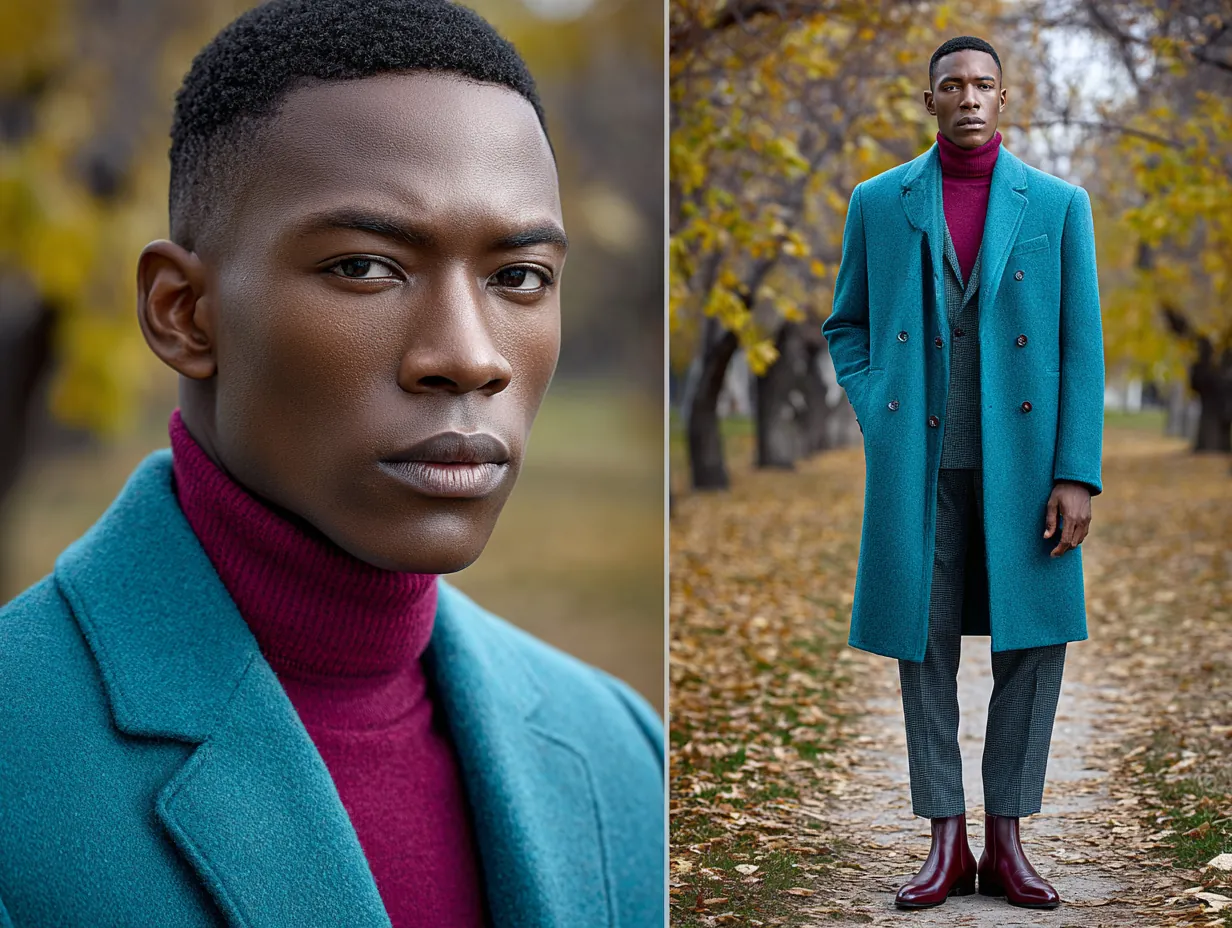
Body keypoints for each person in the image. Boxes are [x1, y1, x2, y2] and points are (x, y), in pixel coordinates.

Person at [0, 1, 664, 925]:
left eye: (518, 278)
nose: (470, 356)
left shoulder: (623, 754)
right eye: (365, 267)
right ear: (183, 313)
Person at [821, 35, 1104, 911]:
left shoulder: (1059, 206)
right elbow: (847, 325)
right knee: (923, 646)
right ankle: (945, 841)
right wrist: (879, 408)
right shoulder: (879, 202)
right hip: (921, 465)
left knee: (1032, 647)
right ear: (931, 99)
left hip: (1027, 470)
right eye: (953, 86)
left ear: (1006, 97)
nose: (969, 98)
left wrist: (1077, 473)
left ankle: (1008, 842)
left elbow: (1081, 348)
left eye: (984, 84)